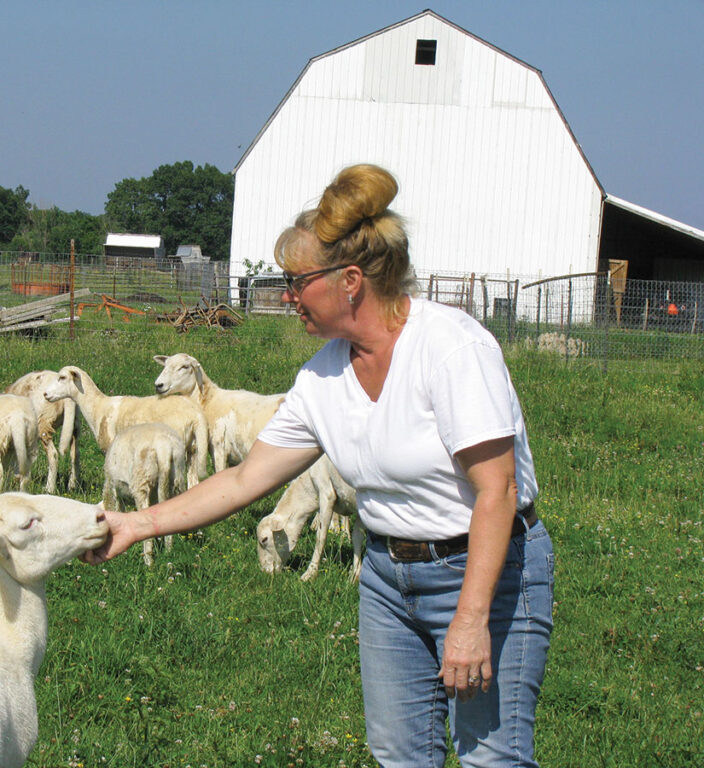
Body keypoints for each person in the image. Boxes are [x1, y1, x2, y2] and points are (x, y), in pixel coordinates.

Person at [85, 164, 553, 768]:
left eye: (297, 281)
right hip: (388, 577)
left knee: (493, 758)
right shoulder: (323, 376)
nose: (286, 295)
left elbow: (498, 490)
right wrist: (137, 523)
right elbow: (243, 479)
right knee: (400, 758)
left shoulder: (451, 349)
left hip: (486, 570)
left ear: (350, 280)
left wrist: (470, 618)